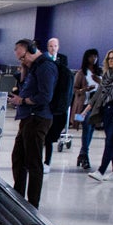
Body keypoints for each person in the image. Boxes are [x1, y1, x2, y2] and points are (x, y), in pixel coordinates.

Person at [6, 38, 57, 206]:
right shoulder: (33, 67)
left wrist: (23, 101)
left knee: (33, 162)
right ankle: (18, 196)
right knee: (18, 158)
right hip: (28, 117)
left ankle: (33, 203)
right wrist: (23, 70)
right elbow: (26, 87)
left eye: (23, 58)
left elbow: (45, 96)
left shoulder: (45, 67)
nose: (22, 61)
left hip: (38, 118)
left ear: (33, 50)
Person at [87, 48, 113, 179]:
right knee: (112, 141)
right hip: (106, 110)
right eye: (109, 58)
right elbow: (100, 92)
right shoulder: (107, 74)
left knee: (110, 140)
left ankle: (101, 170)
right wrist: (87, 109)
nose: (111, 61)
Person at [43, 37, 72, 167]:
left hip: (58, 104)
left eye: (55, 46)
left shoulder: (63, 60)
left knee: (50, 135)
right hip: (47, 102)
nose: (53, 48)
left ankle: (47, 162)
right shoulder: (43, 60)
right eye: (51, 46)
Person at [71, 48, 101, 169]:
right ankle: (84, 155)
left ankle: (82, 154)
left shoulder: (99, 72)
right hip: (83, 106)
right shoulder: (81, 73)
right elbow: (75, 90)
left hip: (96, 105)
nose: (94, 59)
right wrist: (85, 89)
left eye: (95, 56)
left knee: (91, 129)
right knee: (86, 128)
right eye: (91, 56)